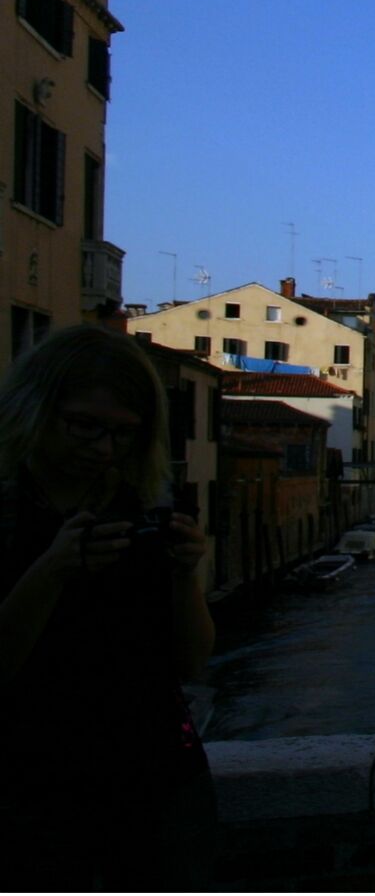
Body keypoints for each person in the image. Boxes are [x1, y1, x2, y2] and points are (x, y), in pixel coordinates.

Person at [0, 327, 218, 891]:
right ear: (36, 409)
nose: (102, 448)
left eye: (123, 434)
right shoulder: (9, 513)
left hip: (159, 779)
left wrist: (183, 575)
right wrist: (51, 570)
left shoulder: (136, 504)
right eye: (83, 425)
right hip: (32, 789)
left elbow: (192, 662)